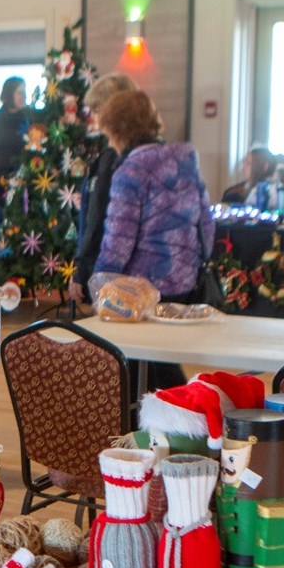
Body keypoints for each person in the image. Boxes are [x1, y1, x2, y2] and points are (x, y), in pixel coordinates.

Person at [95, 90, 215, 389]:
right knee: (159, 364)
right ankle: (173, 411)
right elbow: (206, 220)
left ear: (119, 130)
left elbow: (118, 239)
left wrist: (100, 283)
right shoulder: (185, 159)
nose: (109, 142)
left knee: (143, 370)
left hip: (143, 288)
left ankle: (184, 410)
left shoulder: (130, 172)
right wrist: (196, 261)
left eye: (108, 134)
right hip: (184, 281)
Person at [68, 72, 139, 305]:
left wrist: (81, 271)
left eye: (97, 111)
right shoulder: (140, 152)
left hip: (109, 270)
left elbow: (98, 218)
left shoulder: (112, 157)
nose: (93, 118)